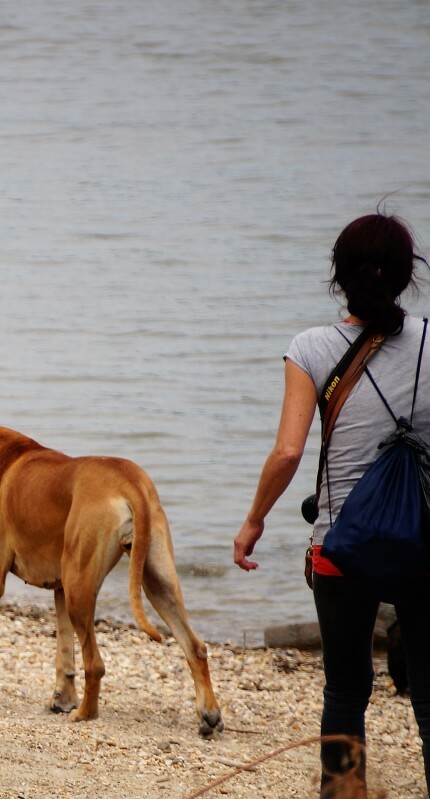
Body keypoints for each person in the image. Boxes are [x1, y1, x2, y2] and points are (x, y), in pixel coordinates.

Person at [233, 213, 430, 796]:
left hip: (342, 545)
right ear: (405, 276)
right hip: (426, 547)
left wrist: (253, 521)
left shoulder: (312, 347)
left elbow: (289, 451)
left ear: (339, 278)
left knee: (346, 691)